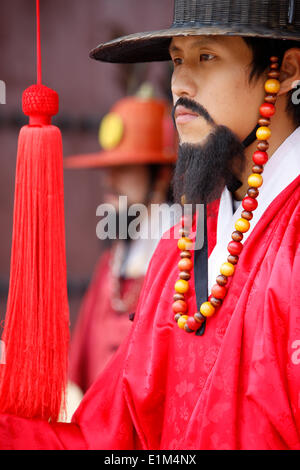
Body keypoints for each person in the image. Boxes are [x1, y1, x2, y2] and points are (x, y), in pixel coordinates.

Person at [0, 0, 300, 450]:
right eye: (177, 59)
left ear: (290, 68)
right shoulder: (178, 251)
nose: (181, 81)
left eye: (207, 56)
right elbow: (108, 438)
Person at [65, 92, 177, 394]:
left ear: (161, 175)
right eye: (108, 167)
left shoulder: (184, 261)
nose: (109, 179)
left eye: (124, 167)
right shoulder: (112, 263)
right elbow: (80, 371)